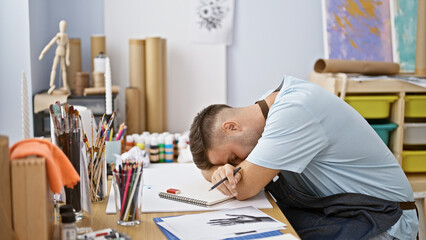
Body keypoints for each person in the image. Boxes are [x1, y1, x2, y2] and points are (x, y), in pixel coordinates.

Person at [189, 75, 418, 240]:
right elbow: (230, 178)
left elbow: (244, 187)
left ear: (231, 127)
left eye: (233, 157)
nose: (238, 165)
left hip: (385, 219)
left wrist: (219, 173)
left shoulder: (293, 112)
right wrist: (215, 170)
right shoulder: (268, 108)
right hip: (342, 210)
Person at [39, 20, 70, 95]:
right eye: (61, 26)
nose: (62, 27)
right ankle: (51, 84)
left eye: (64, 26)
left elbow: (68, 48)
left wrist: (67, 59)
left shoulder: (66, 37)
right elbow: (50, 44)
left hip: (63, 53)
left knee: (63, 70)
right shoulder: (58, 36)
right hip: (58, 51)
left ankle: (65, 85)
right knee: (54, 68)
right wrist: (42, 53)